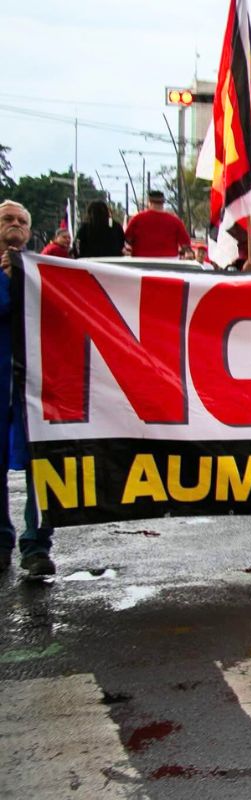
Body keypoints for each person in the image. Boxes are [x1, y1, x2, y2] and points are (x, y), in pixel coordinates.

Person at [0, 200, 56, 575]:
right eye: (8, 219)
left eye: (22, 221)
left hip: (35, 387)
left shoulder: (42, 273)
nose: (15, 225)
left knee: (43, 463)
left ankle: (36, 546)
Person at [123, 190, 190, 258]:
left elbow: (128, 239)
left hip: (141, 259)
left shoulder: (137, 219)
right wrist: (181, 253)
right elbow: (185, 244)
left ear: (149, 202)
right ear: (163, 202)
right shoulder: (175, 221)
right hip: (169, 260)